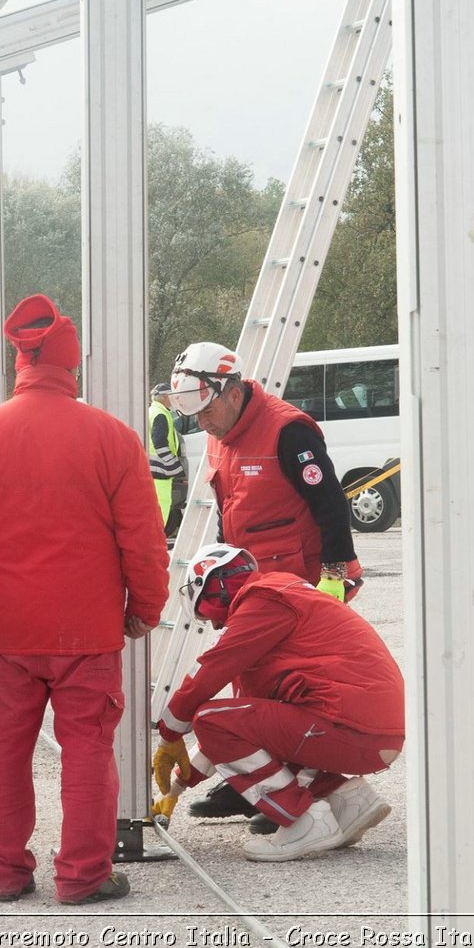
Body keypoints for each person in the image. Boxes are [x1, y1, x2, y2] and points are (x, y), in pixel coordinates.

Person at [0, 293, 169, 906]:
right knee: (88, 749)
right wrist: (145, 607)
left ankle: (6, 872)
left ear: (21, 361)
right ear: (71, 364)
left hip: (8, 633)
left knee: (3, 752)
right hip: (87, 631)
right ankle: (83, 875)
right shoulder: (112, 438)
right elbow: (143, 542)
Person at [165, 341, 366, 825]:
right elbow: (229, 509)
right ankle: (246, 783)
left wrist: (335, 577)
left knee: (294, 688)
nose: (202, 425)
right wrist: (219, 571)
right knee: (249, 683)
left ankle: (297, 790)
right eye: (194, 417)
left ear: (231, 392)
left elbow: (330, 503)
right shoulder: (222, 434)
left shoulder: (288, 431)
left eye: (206, 412)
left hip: (299, 583)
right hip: (251, 583)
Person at [154, 543, 402, 861]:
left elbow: (210, 675)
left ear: (208, 588)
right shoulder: (282, 591)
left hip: (349, 723)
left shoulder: (262, 602)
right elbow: (244, 729)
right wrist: (176, 788)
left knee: (209, 718)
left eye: (207, 614)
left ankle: (303, 819)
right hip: (370, 726)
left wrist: (169, 733)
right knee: (246, 723)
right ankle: (349, 801)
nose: (216, 626)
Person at [147, 382, 186, 539]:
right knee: (160, 511)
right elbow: (160, 442)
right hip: (161, 472)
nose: (172, 399)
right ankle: (155, 541)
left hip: (152, 470)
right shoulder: (161, 414)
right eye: (170, 396)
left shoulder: (152, 411)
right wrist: (173, 465)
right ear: (163, 397)